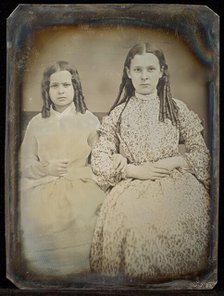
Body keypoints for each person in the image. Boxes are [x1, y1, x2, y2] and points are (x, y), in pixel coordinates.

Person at [90, 43, 211, 282]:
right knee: (135, 226)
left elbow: (202, 155)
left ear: (161, 71)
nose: (144, 76)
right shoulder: (119, 113)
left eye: (150, 69)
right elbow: (100, 159)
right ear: (128, 72)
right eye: (138, 70)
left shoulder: (177, 109)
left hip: (176, 182)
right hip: (133, 185)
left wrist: (174, 162)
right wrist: (133, 169)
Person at [19, 61, 105, 276]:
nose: (60, 91)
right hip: (43, 183)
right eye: (54, 86)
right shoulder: (37, 123)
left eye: (66, 85)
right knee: (37, 216)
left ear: (75, 88)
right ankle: (44, 276)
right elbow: (24, 161)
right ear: (47, 90)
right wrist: (46, 169)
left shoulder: (89, 120)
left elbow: (102, 156)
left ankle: (80, 275)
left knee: (86, 214)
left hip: (81, 183)